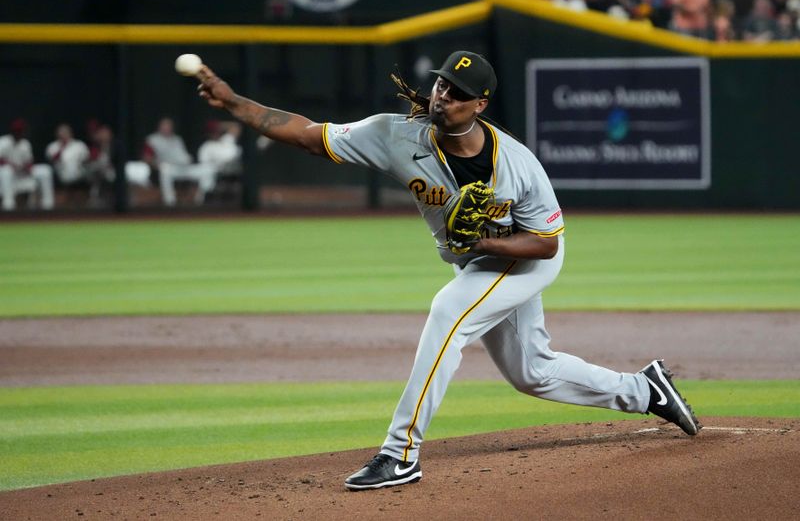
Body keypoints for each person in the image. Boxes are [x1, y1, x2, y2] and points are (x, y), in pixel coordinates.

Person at [194, 50, 701, 491]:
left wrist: (481, 239)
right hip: (480, 258)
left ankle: (400, 454)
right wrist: (234, 101)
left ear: (479, 105)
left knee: (447, 312)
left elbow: (547, 244)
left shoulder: (518, 164)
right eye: (440, 84)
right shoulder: (394, 136)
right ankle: (646, 389)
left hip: (522, 259)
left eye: (457, 93)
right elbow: (308, 135)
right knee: (534, 373)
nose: (441, 96)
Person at [143, 117, 214, 206]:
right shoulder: (153, 139)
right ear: (159, 127)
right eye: (164, 126)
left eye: (169, 126)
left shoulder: (177, 139)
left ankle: (201, 199)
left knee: (208, 169)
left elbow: (183, 155)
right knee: (165, 169)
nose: (167, 128)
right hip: (169, 168)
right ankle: (169, 201)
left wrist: (188, 159)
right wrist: (157, 165)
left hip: (185, 168)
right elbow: (147, 158)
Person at [0, 119, 54, 210]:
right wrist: (13, 166)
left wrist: (28, 167)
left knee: (45, 170)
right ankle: (8, 204)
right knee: (6, 170)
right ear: (12, 131)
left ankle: (47, 204)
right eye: (16, 131)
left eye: (20, 131)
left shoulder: (26, 144)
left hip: (21, 174)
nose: (18, 133)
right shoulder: (3, 141)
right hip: (6, 176)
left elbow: (29, 162)